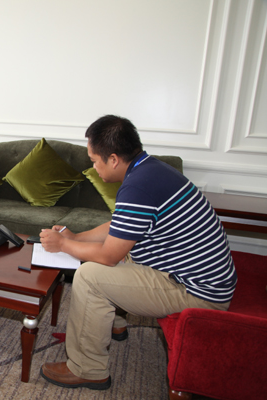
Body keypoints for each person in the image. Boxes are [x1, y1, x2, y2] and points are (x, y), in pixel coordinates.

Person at [38, 115, 236, 391]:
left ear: (114, 159)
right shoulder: (149, 169)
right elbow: (119, 226)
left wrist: (63, 245)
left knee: (89, 275)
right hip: (202, 278)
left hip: (198, 293)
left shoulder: (137, 186)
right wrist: (75, 237)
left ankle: (87, 369)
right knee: (121, 253)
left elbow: (108, 255)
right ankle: (114, 324)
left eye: (94, 161)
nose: (93, 167)